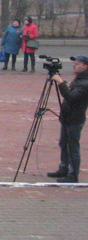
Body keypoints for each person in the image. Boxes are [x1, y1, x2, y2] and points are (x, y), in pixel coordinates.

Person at [47, 55, 88, 183]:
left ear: (86, 66)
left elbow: (71, 96)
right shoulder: (79, 79)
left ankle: (73, 174)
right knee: (63, 143)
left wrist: (60, 81)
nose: (75, 66)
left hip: (75, 119)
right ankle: (63, 168)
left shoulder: (85, 83)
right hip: (67, 117)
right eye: (75, 63)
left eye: (78, 64)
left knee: (72, 147)